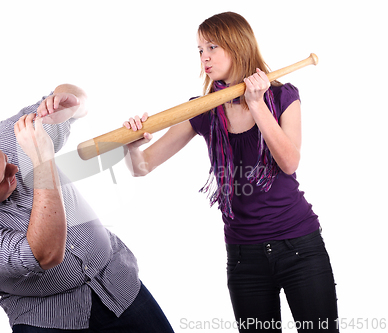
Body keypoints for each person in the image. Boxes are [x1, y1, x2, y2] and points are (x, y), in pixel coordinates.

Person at [123, 12, 339, 332]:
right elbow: (141, 167)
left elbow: (289, 162)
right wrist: (132, 145)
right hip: (243, 258)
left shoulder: (282, 96)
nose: (204, 57)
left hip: (300, 247)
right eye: (199, 50)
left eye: (212, 47)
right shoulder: (203, 108)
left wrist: (257, 104)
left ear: (237, 46)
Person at [0, 84, 175, 333]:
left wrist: (70, 101)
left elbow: (77, 102)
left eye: (4, 160)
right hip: (48, 320)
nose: (13, 170)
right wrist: (42, 162)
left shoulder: (12, 136)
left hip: (116, 283)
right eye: (2, 178)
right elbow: (45, 254)